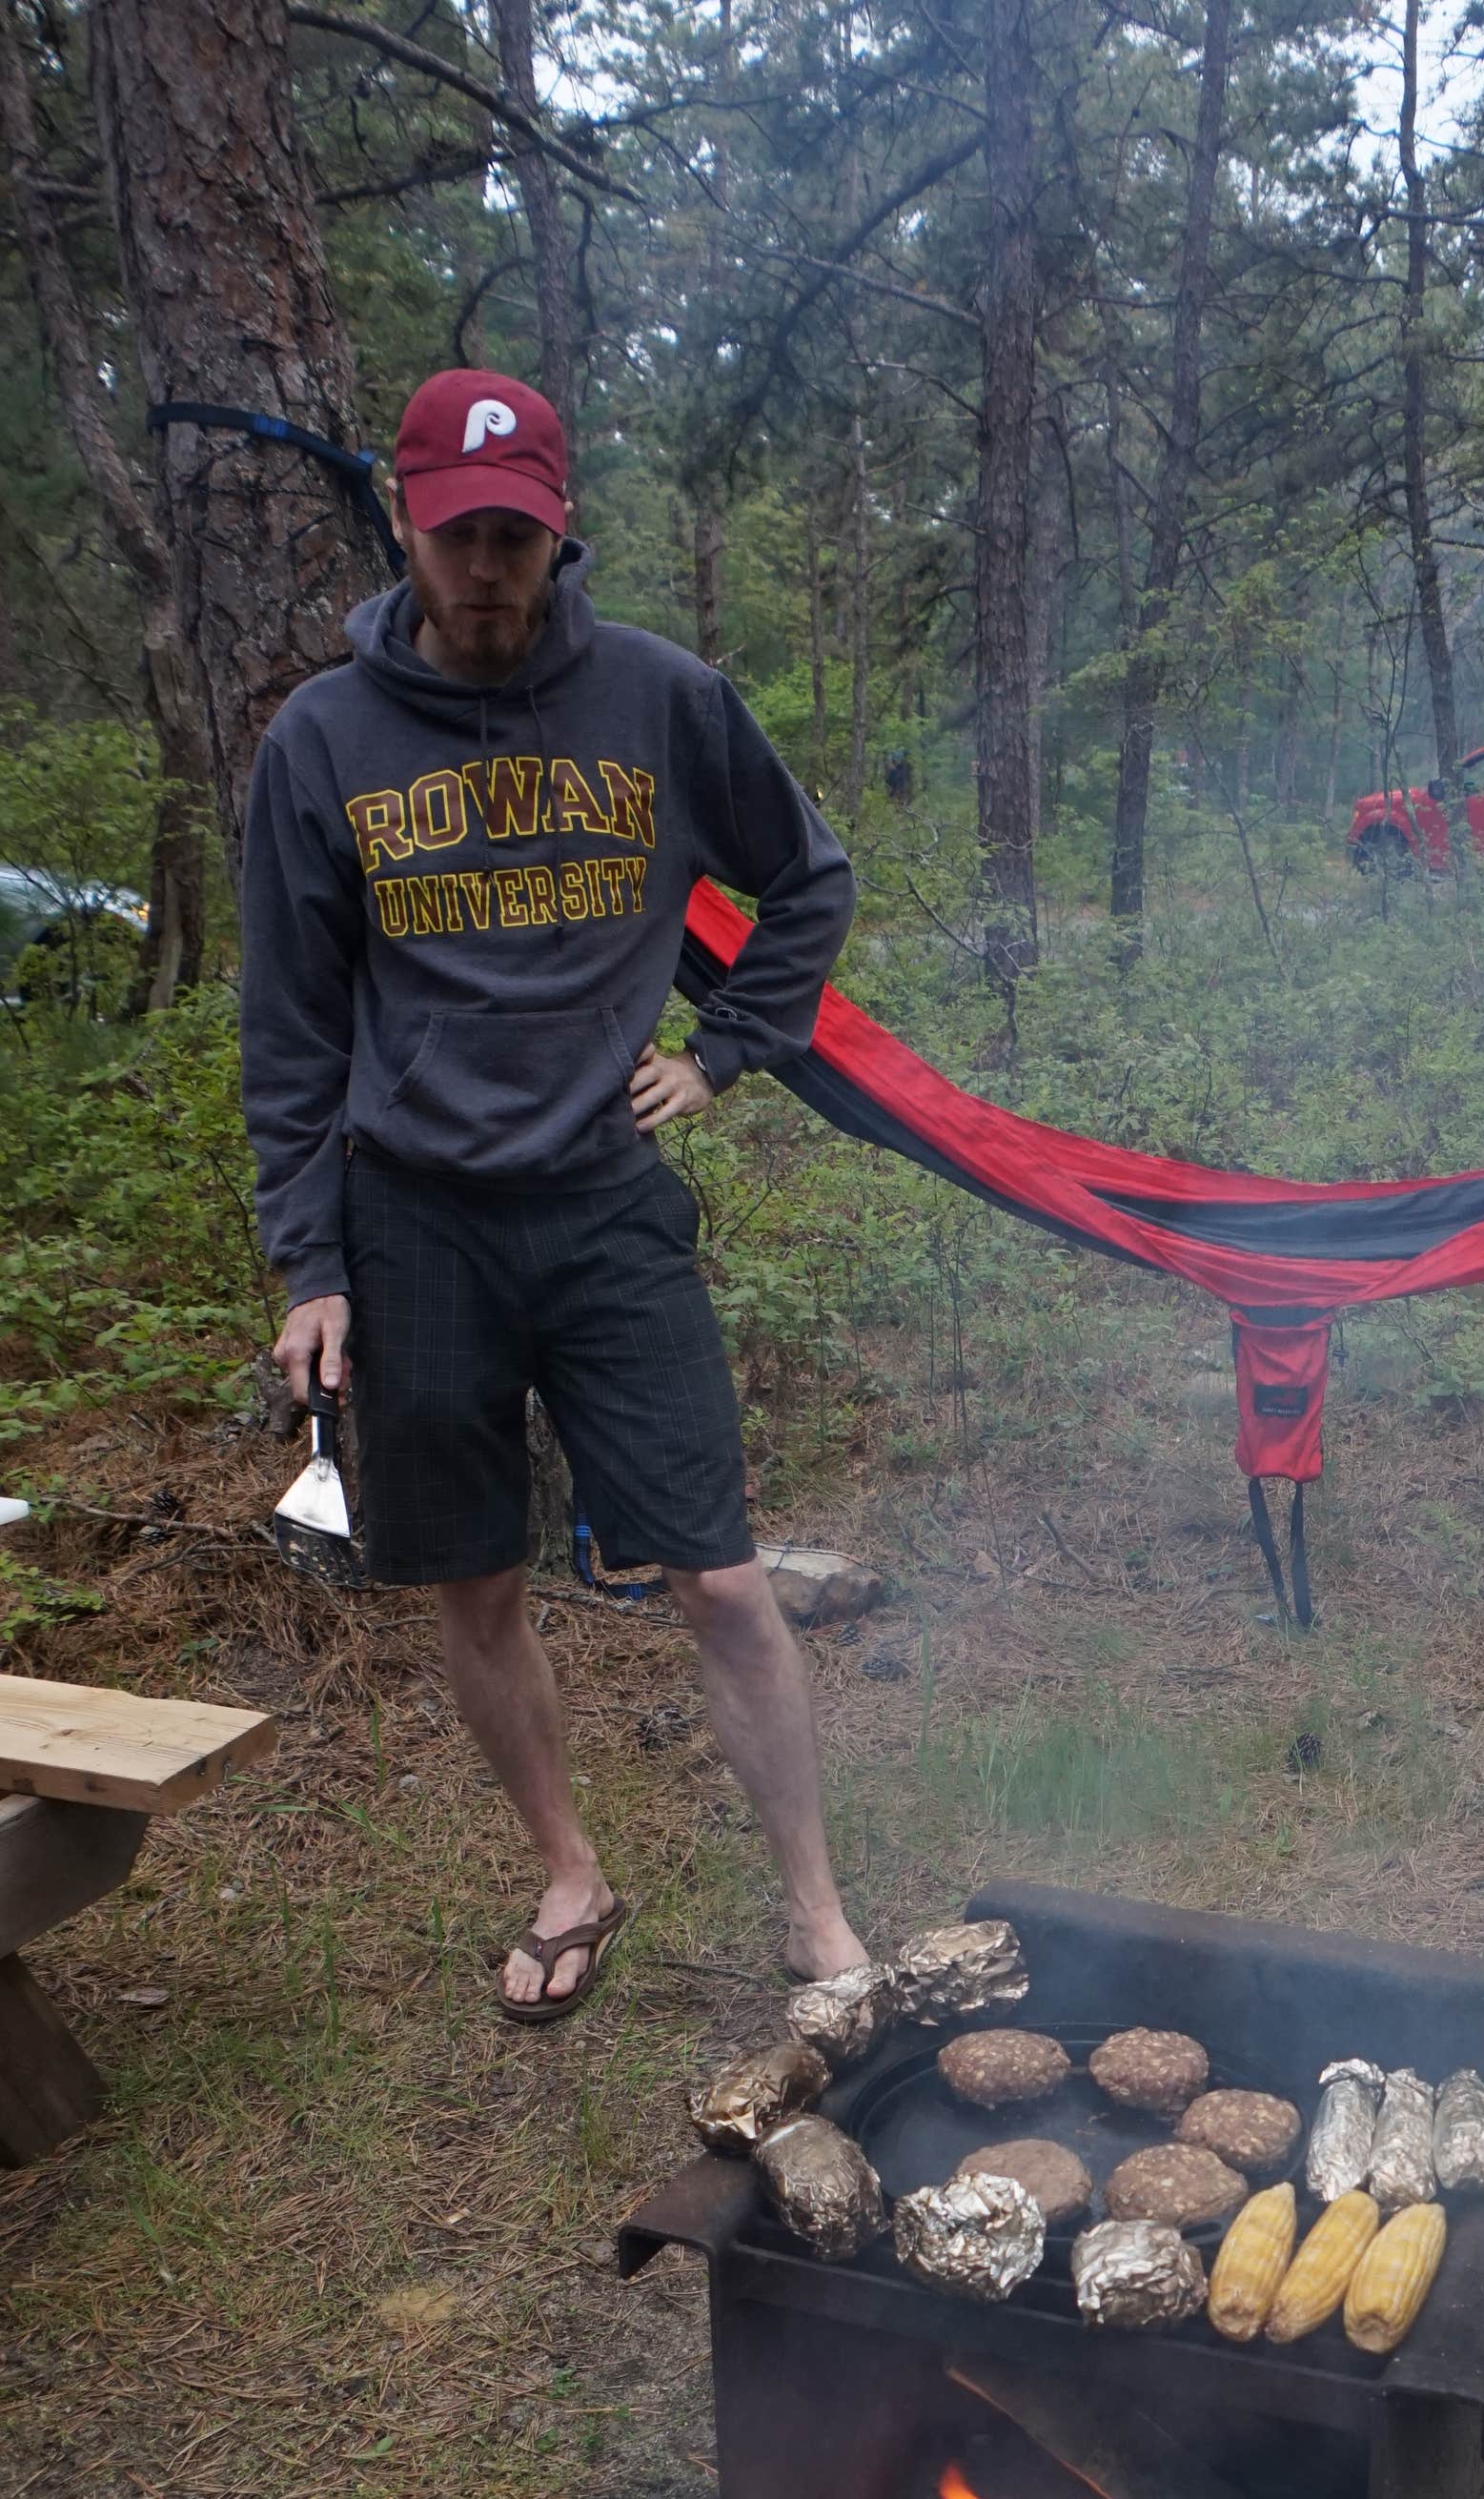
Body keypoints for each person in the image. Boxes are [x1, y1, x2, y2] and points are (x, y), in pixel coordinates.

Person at [240, 368, 870, 2022]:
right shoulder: (325, 739)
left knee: (719, 1573)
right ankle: (570, 1868)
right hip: (414, 1218)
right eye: (459, 533)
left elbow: (804, 875)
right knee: (478, 1581)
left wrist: (725, 1051)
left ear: (559, 529)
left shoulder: (660, 700)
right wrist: (309, 1263)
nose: (487, 567)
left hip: (603, 1200)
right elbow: (294, 1030)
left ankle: (812, 1904)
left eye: (516, 534)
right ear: (409, 520)